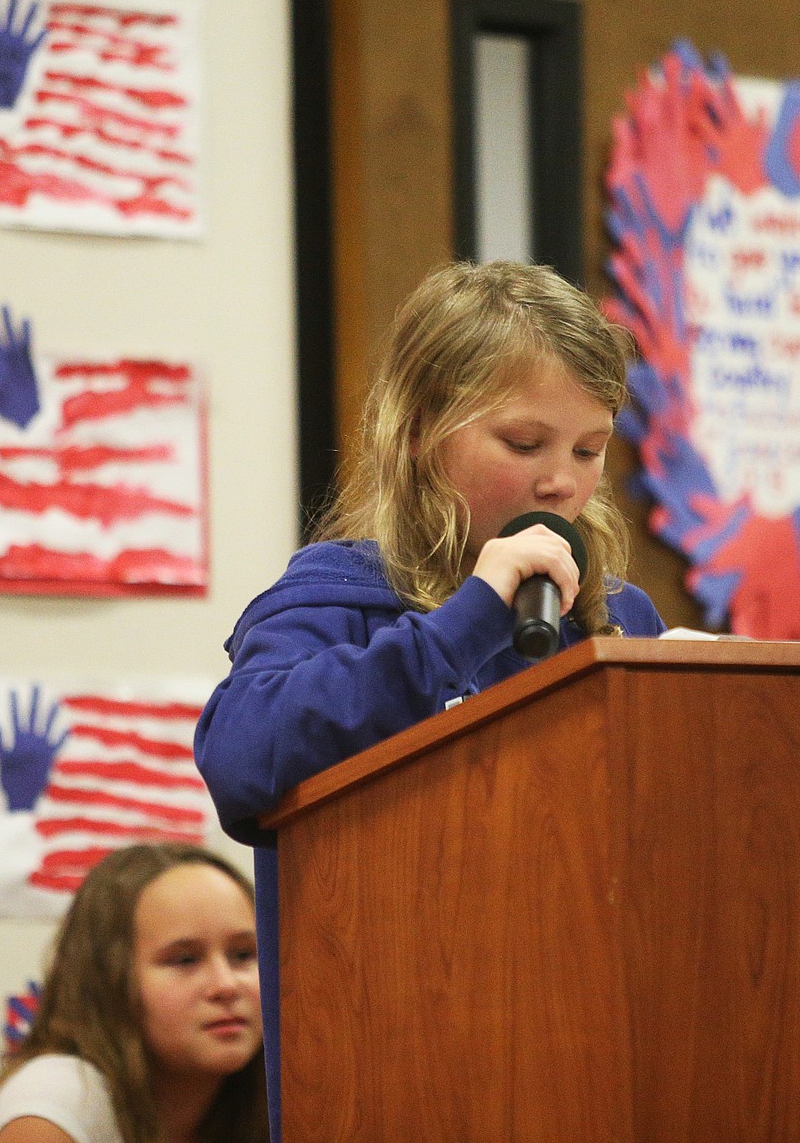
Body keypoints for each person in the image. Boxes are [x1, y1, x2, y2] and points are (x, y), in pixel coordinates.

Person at [193, 258, 667, 1138]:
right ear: (418, 430)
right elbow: (239, 757)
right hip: (397, 1068)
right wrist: (467, 624)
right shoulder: (334, 599)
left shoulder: (618, 621)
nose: (561, 481)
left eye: (589, 450)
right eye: (524, 445)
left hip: (584, 1059)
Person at [0, 844, 267, 1143]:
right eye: (184, 959)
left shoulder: (265, 1096)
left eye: (243, 954)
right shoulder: (57, 1101)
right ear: (108, 979)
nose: (226, 985)